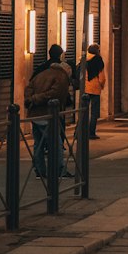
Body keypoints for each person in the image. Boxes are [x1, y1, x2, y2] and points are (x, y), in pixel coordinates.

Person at [24, 44, 74, 179]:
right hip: (48, 114)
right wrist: (36, 99)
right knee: (56, 144)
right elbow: (55, 93)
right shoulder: (62, 77)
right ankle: (59, 170)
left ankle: (39, 170)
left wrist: (30, 100)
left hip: (34, 114)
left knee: (38, 144)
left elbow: (29, 87)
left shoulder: (41, 72)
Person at [82, 42, 105, 138]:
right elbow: (102, 77)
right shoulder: (98, 60)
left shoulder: (83, 59)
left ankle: (79, 132)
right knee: (94, 112)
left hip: (85, 88)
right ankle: (91, 132)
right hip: (95, 88)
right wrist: (102, 85)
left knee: (83, 111)